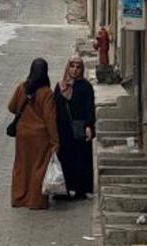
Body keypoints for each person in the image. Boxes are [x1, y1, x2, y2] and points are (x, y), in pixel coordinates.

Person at [8, 58, 59, 210]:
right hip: (40, 137)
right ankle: (35, 201)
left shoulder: (22, 87)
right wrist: (55, 140)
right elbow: (50, 118)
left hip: (23, 135)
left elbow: (11, 107)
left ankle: (19, 198)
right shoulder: (46, 93)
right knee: (39, 167)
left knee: (22, 166)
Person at [53, 55, 95, 200]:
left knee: (80, 159)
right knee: (64, 158)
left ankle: (80, 190)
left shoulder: (86, 86)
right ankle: (63, 188)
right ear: (68, 67)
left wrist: (89, 125)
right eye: (72, 66)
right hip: (63, 129)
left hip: (79, 128)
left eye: (78, 67)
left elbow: (90, 108)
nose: (75, 70)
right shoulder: (60, 86)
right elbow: (54, 107)